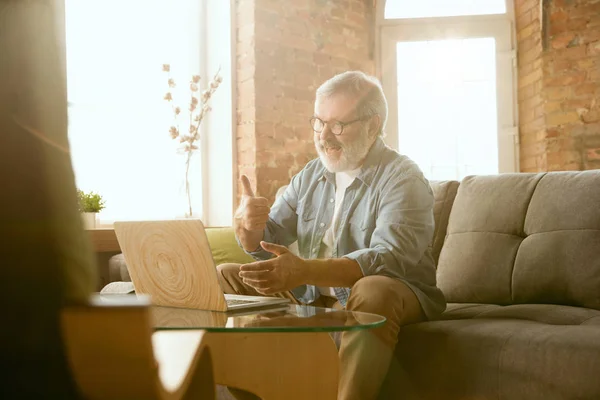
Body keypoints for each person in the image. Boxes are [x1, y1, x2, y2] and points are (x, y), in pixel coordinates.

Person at [218, 71, 446, 399]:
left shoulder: (402, 178)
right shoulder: (312, 174)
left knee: (372, 289)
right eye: (319, 122)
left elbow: (388, 259)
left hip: (394, 293)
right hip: (315, 296)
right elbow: (269, 240)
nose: (324, 136)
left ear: (372, 125)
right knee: (227, 277)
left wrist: (304, 270)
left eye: (338, 125)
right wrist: (248, 228)